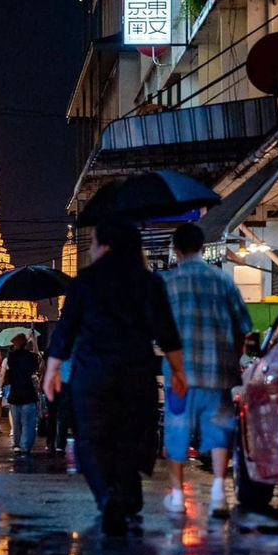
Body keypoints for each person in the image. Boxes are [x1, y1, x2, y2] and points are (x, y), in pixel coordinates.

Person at [43, 216, 186, 535]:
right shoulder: (149, 282)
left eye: (93, 243)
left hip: (92, 374)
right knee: (128, 437)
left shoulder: (84, 281)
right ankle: (124, 494)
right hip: (136, 372)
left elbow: (65, 330)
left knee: (92, 439)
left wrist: (52, 369)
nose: (91, 250)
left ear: (105, 245)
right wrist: (178, 370)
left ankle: (108, 496)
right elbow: (167, 332)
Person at [163, 223, 251, 518]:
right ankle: (217, 494)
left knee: (176, 431)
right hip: (217, 373)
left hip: (179, 377)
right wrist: (232, 357)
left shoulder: (167, 283)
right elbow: (243, 327)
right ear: (203, 248)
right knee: (218, 430)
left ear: (176, 251)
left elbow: (156, 331)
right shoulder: (223, 281)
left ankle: (176, 497)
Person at [3, 333, 40, 455]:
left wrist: (25, 341)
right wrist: (33, 341)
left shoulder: (11, 357)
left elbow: (14, 352)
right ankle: (25, 446)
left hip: (15, 394)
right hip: (28, 393)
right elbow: (37, 359)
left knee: (17, 422)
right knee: (28, 423)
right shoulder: (30, 357)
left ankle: (17, 445)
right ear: (25, 344)